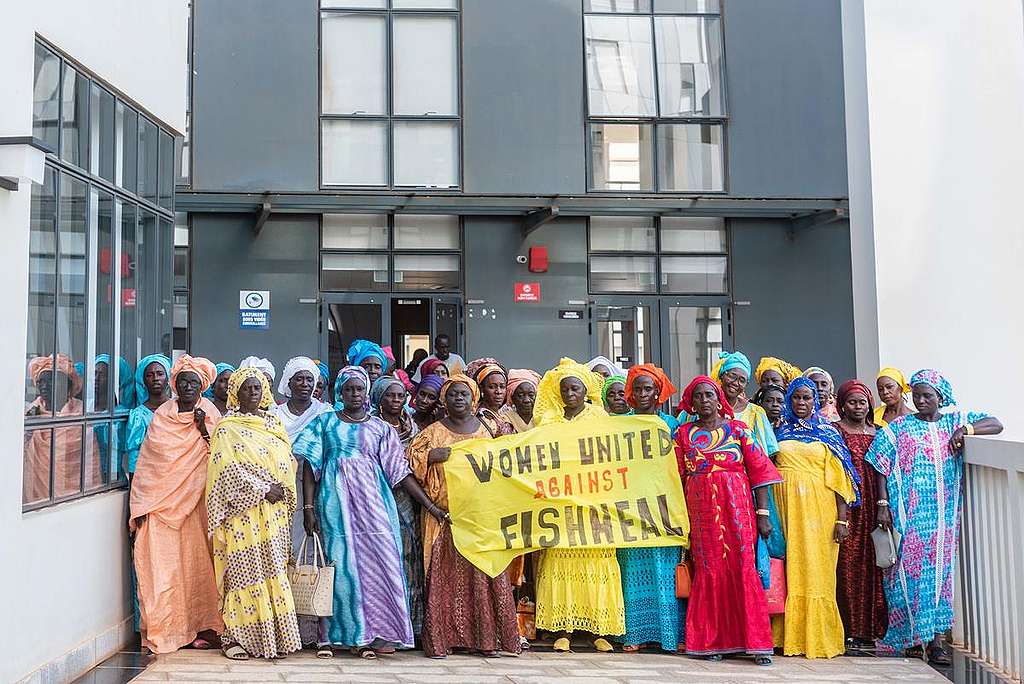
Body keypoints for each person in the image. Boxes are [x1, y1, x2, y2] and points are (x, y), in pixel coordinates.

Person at [294, 367, 438, 658]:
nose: (355, 394)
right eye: (348, 389)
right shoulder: (324, 423)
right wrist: (308, 508)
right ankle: (330, 638)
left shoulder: (381, 429)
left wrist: (431, 505)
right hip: (336, 507)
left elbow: (399, 472)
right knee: (340, 568)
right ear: (340, 392)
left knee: (379, 566)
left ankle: (369, 636)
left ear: (367, 392)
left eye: (359, 389)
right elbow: (310, 469)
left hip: (376, 509)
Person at [866, 369, 1002, 663]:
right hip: (907, 514)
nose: (921, 400)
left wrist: (967, 431)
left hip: (943, 517)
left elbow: (996, 423)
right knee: (905, 575)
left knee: (939, 576)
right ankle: (911, 638)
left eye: (927, 395)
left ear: (941, 397)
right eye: (916, 395)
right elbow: (878, 461)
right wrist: (882, 503)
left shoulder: (955, 421)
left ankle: (936, 641)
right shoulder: (899, 427)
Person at [407, 374, 521, 658]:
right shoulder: (431, 432)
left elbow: (506, 464)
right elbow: (409, 462)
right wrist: (432, 456)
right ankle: (443, 641)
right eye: (454, 394)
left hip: (479, 519)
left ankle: (485, 641)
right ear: (444, 399)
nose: (459, 398)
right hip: (442, 518)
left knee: (482, 577)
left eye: (464, 394)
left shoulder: (487, 429)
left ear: (474, 398)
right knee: (442, 577)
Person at [676, 376, 780, 664]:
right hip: (701, 514)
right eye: (698, 396)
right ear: (691, 403)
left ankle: (756, 644)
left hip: (739, 511)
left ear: (719, 398)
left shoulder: (739, 430)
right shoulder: (683, 435)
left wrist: (763, 515)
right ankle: (713, 642)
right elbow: (675, 478)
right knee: (710, 570)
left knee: (743, 568)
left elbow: (761, 473)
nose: (704, 400)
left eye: (709, 395)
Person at [129, 355, 223, 654]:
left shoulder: (208, 413)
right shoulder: (163, 415)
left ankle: (201, 627)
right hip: (160, 505)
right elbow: (149, 464)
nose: (186, 386)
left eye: (193, 382)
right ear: (175, 384)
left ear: (202, 387)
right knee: (160, 568)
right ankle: (167, 630)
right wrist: (141, 508)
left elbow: (220, 456)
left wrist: (202, 429)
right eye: (182, 381)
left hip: (196, 506)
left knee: (197, 569)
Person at [206, 367, 301, 660]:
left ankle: (275, 637)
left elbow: (288, 461)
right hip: (241, 513)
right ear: (236, 392)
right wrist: (261, 488)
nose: (251, 393)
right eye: (246, 388)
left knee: (274, 569)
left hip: (274, 512)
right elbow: (225, 470)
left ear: (265, 393)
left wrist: (278, 488)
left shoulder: (273, 424)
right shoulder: (226, 426)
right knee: (243, 573)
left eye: (256, 388)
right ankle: (236, 637)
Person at [533, 358, 624, 653]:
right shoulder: (550, 420)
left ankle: (600, 630)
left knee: (597, 563)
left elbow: (612, 455)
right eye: (565, 389)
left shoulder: (599, 416)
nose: (570, 393)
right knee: (561, 561)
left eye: (575, 388)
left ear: (585, 391)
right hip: (561, 503)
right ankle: (563, 629)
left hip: (594, 504)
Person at [771, 377, 859, 659]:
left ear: (816, 401)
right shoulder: (777, 430)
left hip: (819, 510)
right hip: (783, 506)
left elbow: (841, 480)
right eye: (796, 397)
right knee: (786, 567)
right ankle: (784, 637)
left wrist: (842, 519)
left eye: (807, 398)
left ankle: (817, 639)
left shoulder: (828, 433)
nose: (801, 403)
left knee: (816, 570)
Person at [683, 352, 785, 561]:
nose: (735, 383)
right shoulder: (691, 416)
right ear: (721, 376)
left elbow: (764, 460)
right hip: (701, 499)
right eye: (731, 376)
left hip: (746, 494)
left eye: (742, 380)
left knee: (745, 551)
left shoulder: (754, 414)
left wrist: (762, 511)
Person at [617, 365, 684, 653]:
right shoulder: (619, 425)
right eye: (639, 388)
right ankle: (635, 633)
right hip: (631, 506)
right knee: (633, 568)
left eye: (649, 389)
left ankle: (670, 634)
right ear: (630, 392)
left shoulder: (672, 425)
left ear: (658, 393)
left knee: (666, 569)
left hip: (665, 506)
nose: (644, 394)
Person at [833, 380, 887, 651]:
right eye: (852, 402)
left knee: (872, 564)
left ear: (869, 405)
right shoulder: (835, 431)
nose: (857, 406)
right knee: (845, 564)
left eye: (862, 402)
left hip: (875, 503)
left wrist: (883, 503)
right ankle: (845, 627)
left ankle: (868, 629)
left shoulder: (879, 432)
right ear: (842, 404)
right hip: (846, 504)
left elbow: (885, 468)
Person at [369, 374, 424, 635]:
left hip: (409, 500)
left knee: (409, 558)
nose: (396, 400)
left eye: (400, 395)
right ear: (379, 398)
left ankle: (411, 625)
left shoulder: (412, 427)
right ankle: (386, 623)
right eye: (390, 395)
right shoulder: (371, 426)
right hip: (379, 496)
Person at [268, 356, 334, 567]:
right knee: (287, 542)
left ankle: (315, 596)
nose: (305, 384)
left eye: (309, 379)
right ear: (289, 382)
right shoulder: (274, 415)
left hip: (318, 483)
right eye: (299, 379)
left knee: (317, 540)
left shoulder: (325, 412)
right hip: (284, 485)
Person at [123, 353, 172, 632]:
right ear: (143, 381)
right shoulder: (138, 416)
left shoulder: (178, 410)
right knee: (148, 562)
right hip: (149, 497)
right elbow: (135, 465)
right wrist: (137, 505)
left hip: (179, 496)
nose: (156, 379)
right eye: (150, 375)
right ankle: (150, 625)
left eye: (160, 374)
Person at [23, 355, 99, 501]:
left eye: (51, 381)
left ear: (67, 385)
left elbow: (89, 460)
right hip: (37, 494)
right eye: (41, 381)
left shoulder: (79, 412)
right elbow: (20, 451)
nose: (44, 386)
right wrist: (30, 424)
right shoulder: (32, 410)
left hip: (74, 493)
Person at [466, 358, 515, 436]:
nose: (498, 391)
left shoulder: (502, 413)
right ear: (482, 389)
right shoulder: (482, 417)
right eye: (492, 387)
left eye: (502, 387)